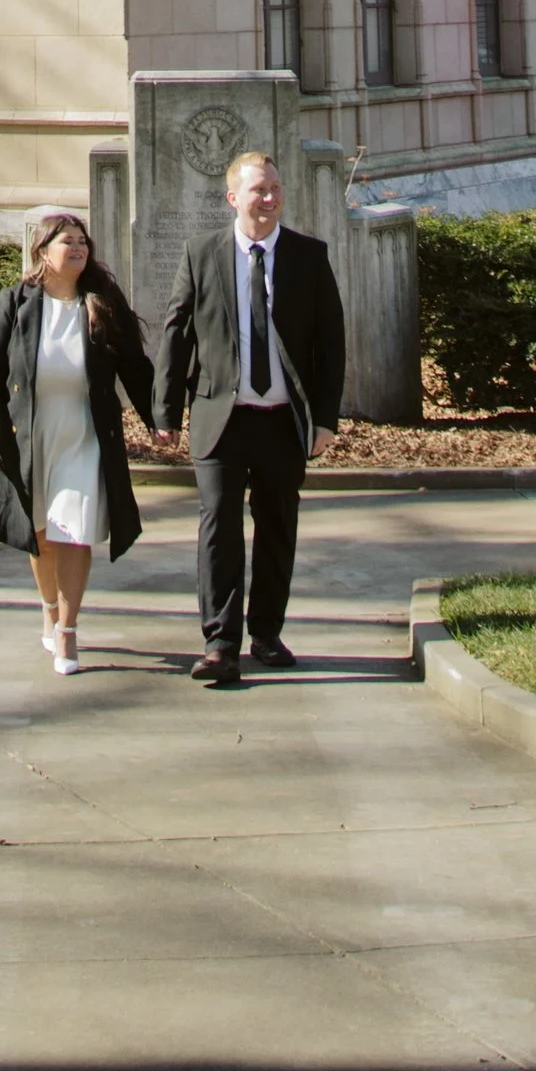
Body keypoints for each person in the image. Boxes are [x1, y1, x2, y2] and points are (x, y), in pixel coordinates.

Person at [154, 147, 344, 687]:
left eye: (275, 189)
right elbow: (176, 332)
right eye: (258, 190)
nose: (269, 199)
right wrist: (166, 409)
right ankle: (220, 644)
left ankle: (265, 633)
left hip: (284, 419)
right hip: (222, 416)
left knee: (278, 528)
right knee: (219, 529)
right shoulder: (203, 253)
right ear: (233, 197)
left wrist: (325, 419)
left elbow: (331, 342)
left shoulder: (309, 256)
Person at [0, 205, 156, 674]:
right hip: (32, 436)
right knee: (41, 534)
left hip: (85, 433)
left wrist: (159, 418)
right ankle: (48, 608)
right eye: (68, 241)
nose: (79, 248)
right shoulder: (16, 302)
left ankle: (67, 631)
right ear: (42, 252)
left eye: (83, 241)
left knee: (76, 530)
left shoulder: (103, 299)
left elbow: (135, 366)